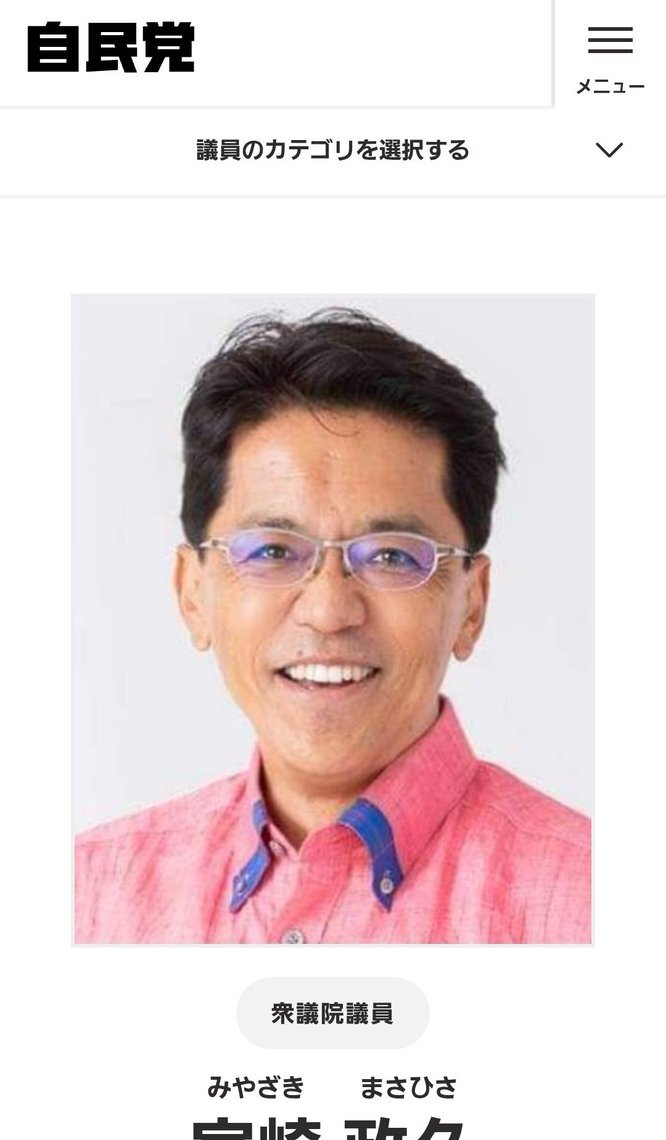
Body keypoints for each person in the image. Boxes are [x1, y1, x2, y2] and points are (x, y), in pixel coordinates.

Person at [75, 309, 591, 944]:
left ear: (472, 605)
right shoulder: (84, 898)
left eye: (393, 556)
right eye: (272, 550)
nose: (328, 609)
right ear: (192, 593)